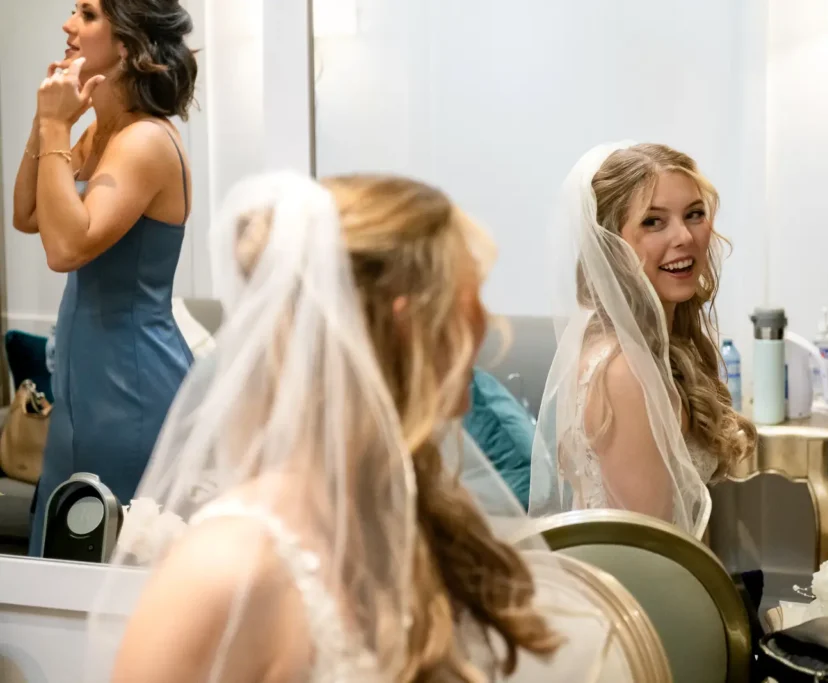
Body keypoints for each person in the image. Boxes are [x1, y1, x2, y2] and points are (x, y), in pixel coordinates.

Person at [86, 172, 651, 682]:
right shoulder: (225, 569)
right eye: (471, 299)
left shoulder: (415, 515)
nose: (489, 330)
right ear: (407, 325)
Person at [12, 0, 198, 555]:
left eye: (87, 13)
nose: (68, 25)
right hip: (81, 374)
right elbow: (27, 215)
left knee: (114, 550)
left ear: (127, 43)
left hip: (131, 380)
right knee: (66, 539)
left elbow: (66, 247)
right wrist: (49, 121)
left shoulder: (145, 141)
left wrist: (54, 126)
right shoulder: (95, 135)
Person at [529, 142, 755, 538]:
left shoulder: (659, 346)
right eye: (653, 222)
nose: (684, 236)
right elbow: (651, 549)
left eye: (694, 214)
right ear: (612, 246)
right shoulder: (623, 372)